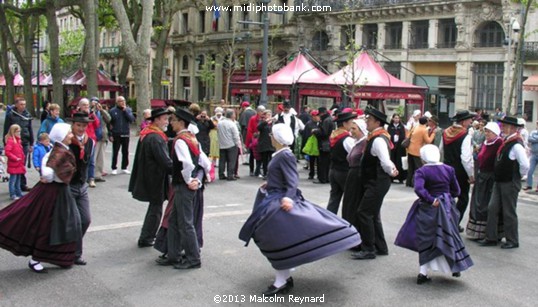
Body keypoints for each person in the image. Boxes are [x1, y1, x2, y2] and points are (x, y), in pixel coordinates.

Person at [239, 123, 361, 295]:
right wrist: (271, 183)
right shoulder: (281, 154)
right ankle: (284, 278)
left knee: (276, 240)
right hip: (275, 199)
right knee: (277, 240)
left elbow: (292, 180)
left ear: (277, 138)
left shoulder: (285, 155)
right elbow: (283, 177)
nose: (270, 137)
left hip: (280, 202)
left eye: (272, 135)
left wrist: (288, 198)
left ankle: (281, 281)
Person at [0, 123, 81, 273]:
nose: (71, 135)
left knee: (64, 225)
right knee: (47, 225)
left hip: (60, 192)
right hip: (53, 193)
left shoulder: (60, 150)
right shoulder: (57, 152)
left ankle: (62, 257)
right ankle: (36, 259)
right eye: (69, 133)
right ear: (62, 136)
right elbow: (48, 173)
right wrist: (50, 176)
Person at [395, 145, 473, 284]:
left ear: (424, 157)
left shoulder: (422, 171)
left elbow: (419, 189)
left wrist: (431, 199)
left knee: (427, 239)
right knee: (450, 235)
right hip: (447, 206)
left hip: (429, 207)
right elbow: (456, 190)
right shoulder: (449, 169)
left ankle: (423, 272)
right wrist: (447, 197)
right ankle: (454, 266)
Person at [156, 108, 211, 269]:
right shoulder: (192, 138)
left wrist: (189, 180)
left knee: (185, 222)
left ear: (181, 122)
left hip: (183, 186)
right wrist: (199, 180)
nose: (171, 123)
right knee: (174, 220)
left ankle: (193, 258)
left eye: (173, 120)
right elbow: (205, 163)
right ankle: (173, 255)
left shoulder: (180, 140)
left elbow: (187, 164)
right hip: (187, 185)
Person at [351, 106, 398, 260]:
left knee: (364, 213)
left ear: (377, 122)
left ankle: (369, 248)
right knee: (373, 213)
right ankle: (380, 246)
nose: (366, 122)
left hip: (377, 181)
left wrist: (391, 170)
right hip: (375, 180)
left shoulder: (378, 139)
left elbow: (384, 161)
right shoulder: (376, 137)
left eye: (369, 120)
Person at [478, 116, 530, 249]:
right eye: (503, 126)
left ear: (512, 128)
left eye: (505, 126)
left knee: (508, 211)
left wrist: (518, 176)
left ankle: (512, 239)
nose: (503, 128)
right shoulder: (507, 141)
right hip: (500, 180)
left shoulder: (516, 144)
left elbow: (525, 165)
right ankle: (491, 237)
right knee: (492, 207)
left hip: (509, 181)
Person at [128, 108, 174, 248]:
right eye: (165, 119)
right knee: (156, 209)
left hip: (150, 176)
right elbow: (165, 161)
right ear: (157, 120)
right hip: (155, 177)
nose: (167, 122)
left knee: (155, 208)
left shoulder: (149, 133)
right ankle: (147, 237)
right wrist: (178, 170)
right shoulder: (155, 137)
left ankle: (147, 236)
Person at [466, 122, 503, 240]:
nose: (486, 133)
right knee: (478, 204)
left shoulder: (498, 142)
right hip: (481, 177)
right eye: (486, 131)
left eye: (489, 132)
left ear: (495, 133)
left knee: (486, 205)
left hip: (490, 178)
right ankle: (478, 232)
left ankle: (490, 232)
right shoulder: (485, 143)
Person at [67, 112, 95, 265]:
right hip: (68, 186)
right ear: (73, 125)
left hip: (81, 185)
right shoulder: (67, 141)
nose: (81, 128)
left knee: (85, 220)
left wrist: (89, 178)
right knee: (75, 221)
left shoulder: (89, 141)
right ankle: (74, 253)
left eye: (84, 125)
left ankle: (72, 248)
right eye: (78, 125)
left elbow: (89, 162)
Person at [441, 110, 475, 231]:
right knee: (463, 197)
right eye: (469, 119)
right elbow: (466, 158)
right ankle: (454, 223)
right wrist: (471, 174)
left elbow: (441, 150)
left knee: (448, 196)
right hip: (460, 170)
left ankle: (445, 221)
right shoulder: (465, 135)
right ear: (464, 121)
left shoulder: (445, 132)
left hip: (447, 167)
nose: (471, 121)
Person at [326, 111, 356, 214]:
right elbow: (355, 154)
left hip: (333, 170)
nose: (353, 124)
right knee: (349, 199)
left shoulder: (334, 135)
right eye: (351, 122)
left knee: (334, 198)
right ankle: (347, 222)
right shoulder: (347, 139)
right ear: (344, 123)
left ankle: (328, 220)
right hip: (343, 172)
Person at [341, 118, 368, 232]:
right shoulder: (356, 142)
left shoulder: (365, 143)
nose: (351, 131)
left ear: (361, 129)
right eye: (351, 128)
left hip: (358, 177)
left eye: (354, 128)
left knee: (354, 205)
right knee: (348, 204)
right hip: (352, 175)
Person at [3, 98, 33, 192]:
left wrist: (31, 143)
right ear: (16, 105)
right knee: (16, 164)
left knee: (22, 164)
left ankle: (21, 184)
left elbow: (30, 129)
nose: (23, 106)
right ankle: (17, 186)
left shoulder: (27, 115)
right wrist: (5, 143)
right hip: (14, 143)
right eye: (21, 104)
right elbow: (6, 129)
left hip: (25, 142)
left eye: (24, 104)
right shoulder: (10, 115)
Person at [109, 96, 135, 175]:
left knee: (125, 151)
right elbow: (109, 123)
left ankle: (124, 167)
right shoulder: (112, 111)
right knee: (115, 151)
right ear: (117, 102)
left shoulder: (128, 110)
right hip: (116, 133)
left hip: (125, 133)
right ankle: (114, 167)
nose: (122, 102)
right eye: (120, 101)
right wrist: (110, 134)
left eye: (123, 101)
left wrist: (125, 111)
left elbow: (132, 119)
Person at [406, 116, 435, 187]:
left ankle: (408, 182)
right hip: (417, 151)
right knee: (418, 168)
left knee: (411, 167)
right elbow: (428, 141)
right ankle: (415, 183)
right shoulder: (424, 130)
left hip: (410, 149)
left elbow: (409, 135)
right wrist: (433, 134)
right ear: (426, 122)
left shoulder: (415, 127)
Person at [217, 109, 241, 181]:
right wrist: (238, 144)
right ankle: (230, 175)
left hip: (222, 144)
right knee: (231, 161)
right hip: (231, 144)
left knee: (222, 160)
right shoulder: (232, 124)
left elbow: (218, 132)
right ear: (232, 115)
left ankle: (221, 174)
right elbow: (236, 135)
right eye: (234, 114)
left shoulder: (220, 123)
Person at [4, 124, 25, 200]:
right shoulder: (11, 141)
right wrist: (15, 158)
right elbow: (7, 152)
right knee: (13, 180)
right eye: (17, 132)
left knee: (18, 180)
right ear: (13, 132)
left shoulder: (18, 140)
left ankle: (18, 192)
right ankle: (12, 194)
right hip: (14, 163)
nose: (19, 133)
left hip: (19, 163)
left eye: (19, 132)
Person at [312, 107, 333, 184]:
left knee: (323, 162)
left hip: (324, 144)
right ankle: (326, 178)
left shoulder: (326, 121)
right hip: (328, 144)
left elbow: (324, 133)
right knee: (327, 163)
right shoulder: (329, 119)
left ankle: (323, 178)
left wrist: (315, 131)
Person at [245, 106, 265, 176]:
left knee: (259, 156)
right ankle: (251, 170)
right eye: (262, 111)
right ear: (258, 112)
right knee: (252, 155)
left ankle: (258, 170)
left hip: (261, 139)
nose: (263, 113)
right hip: (254, 139)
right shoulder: (253, 119)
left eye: (263, 111)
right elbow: (250, 130)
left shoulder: (264, 119)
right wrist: (252, 139)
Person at [94, 101, 111, 182]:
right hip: (94, 137)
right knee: (93, 157)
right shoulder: (91, 112)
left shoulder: (102, 112)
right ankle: (91, 174)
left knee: (101, 157)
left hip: (102, 136)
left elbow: (109, 119)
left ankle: (98, 174)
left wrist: (102, 110)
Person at [387, 114, 407, 183]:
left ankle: (400, 177)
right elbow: (388, 135)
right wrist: (393, 137)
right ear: (392, 119)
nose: (396, 119)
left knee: (399, 162)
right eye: (395, 118)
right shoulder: (390, 127)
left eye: (398, 118)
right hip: (392, 147)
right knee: (392, 160)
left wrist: (399, 137)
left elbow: (403, 136)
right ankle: (392, 177)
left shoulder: (401, 127)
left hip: (399, 147)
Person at [257, 110, 275, 179]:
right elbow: (258, 128)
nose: (269, 116)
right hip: (264, 144)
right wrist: (266, 121)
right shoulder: (262, 122)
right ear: (264, 116)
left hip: (272, 144)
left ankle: (271, 174)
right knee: (264, 160)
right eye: (267, 115)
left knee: (271, 160)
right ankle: (265, 173)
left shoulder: (273, 123)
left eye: (270, 115)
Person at [524, 120, 538, 192]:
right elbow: (529, 139)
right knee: (530, 170)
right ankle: (529, 185)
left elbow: (532, 139)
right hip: (534, 154)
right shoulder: (533, 132)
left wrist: (534, 139)